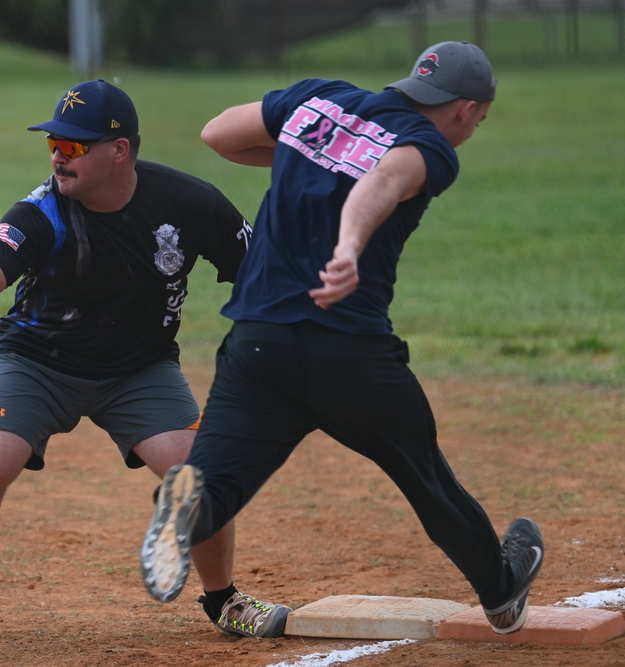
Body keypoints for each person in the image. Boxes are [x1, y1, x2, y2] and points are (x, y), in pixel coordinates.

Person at [140, 42, 545, 636]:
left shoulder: (317, 98)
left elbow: (219, 133)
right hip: (349, 355)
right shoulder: (431, 147)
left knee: (216, 483)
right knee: (426, 477)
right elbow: (381, 180)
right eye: (478, 122)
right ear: (465, 110)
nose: (472, 130)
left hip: (258, 346)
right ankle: (501, 590)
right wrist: (349, 247)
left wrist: (313, 154)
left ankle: (188, 508)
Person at [0, 79, 292, 638]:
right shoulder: (44, 209)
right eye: (53, 142)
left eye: (72, 146)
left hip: (140, 369)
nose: (56, 155)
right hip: (37, 360)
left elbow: (263, 275)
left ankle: (224, 600)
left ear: (118, 151)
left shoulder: (189, 204)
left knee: (201, 475)